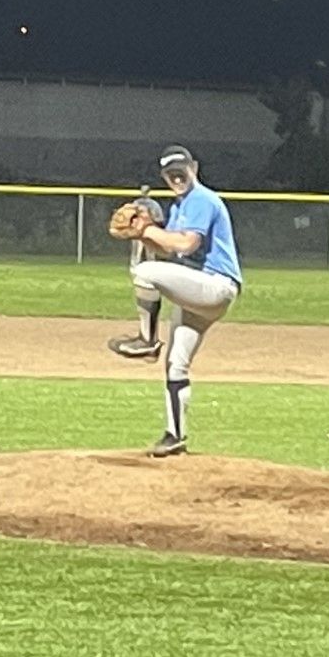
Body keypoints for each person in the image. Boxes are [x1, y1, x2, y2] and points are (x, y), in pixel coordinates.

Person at [107, 146, 243, 457]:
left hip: (215, 285)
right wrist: (142, 235)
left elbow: (186, 243)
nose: (177, 177)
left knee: (144, 272)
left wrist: (148, 229)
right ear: (164, 177)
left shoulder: (201, 199)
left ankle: (147, 340)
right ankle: (175, 436)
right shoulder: (181, 207)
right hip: (199, 292)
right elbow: (169, 250)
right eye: (171, 174)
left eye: (181, 170)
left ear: (194, 167)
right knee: (176, 364)